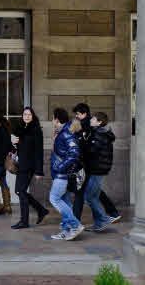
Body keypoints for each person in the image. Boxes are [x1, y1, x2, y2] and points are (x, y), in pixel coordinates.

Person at [71, 103, 121, 223]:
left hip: (93, 167)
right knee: (94, 193)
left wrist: (81, 142)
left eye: (78, 114)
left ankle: (100, 219)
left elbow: (91, 150)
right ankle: (104, 218)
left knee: (87, 195)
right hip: (93, 167)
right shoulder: (96, 130)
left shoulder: (96, 132)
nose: (76, 116)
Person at [48, 108, 84, 241]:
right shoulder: (62, 132)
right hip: (61, 174)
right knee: (65, 202)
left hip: (62, 175)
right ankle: (66, 230)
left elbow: (74, 153)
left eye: (53, 118)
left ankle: (75, 225)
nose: (52, 121)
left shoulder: (66, 134)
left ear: (56, 119)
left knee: (54, 198)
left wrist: (60, 168)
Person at [11, 107, 48, 229]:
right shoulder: (21, 128)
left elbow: (39, 151)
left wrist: (39, 170)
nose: (27, 116)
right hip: (21, 164)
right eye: (25, 114)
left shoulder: (36, 130)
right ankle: (41, 210)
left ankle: (24, 221)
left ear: (33, 116)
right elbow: (16, 147)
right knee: (19, 191)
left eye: (29, 114)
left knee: (20, 191)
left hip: (30, 165)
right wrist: (13, 143)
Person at [84, 112, 115, 232]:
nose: (91, 120)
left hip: (97, 169)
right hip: (99, 168)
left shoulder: (99, 134)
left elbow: (92, 151)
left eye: (93, 119)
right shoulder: (102, 133)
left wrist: (84, 143)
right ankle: (98, 224)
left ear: (99, 122)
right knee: (94, 196)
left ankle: (104, 218)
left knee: (89, 196)